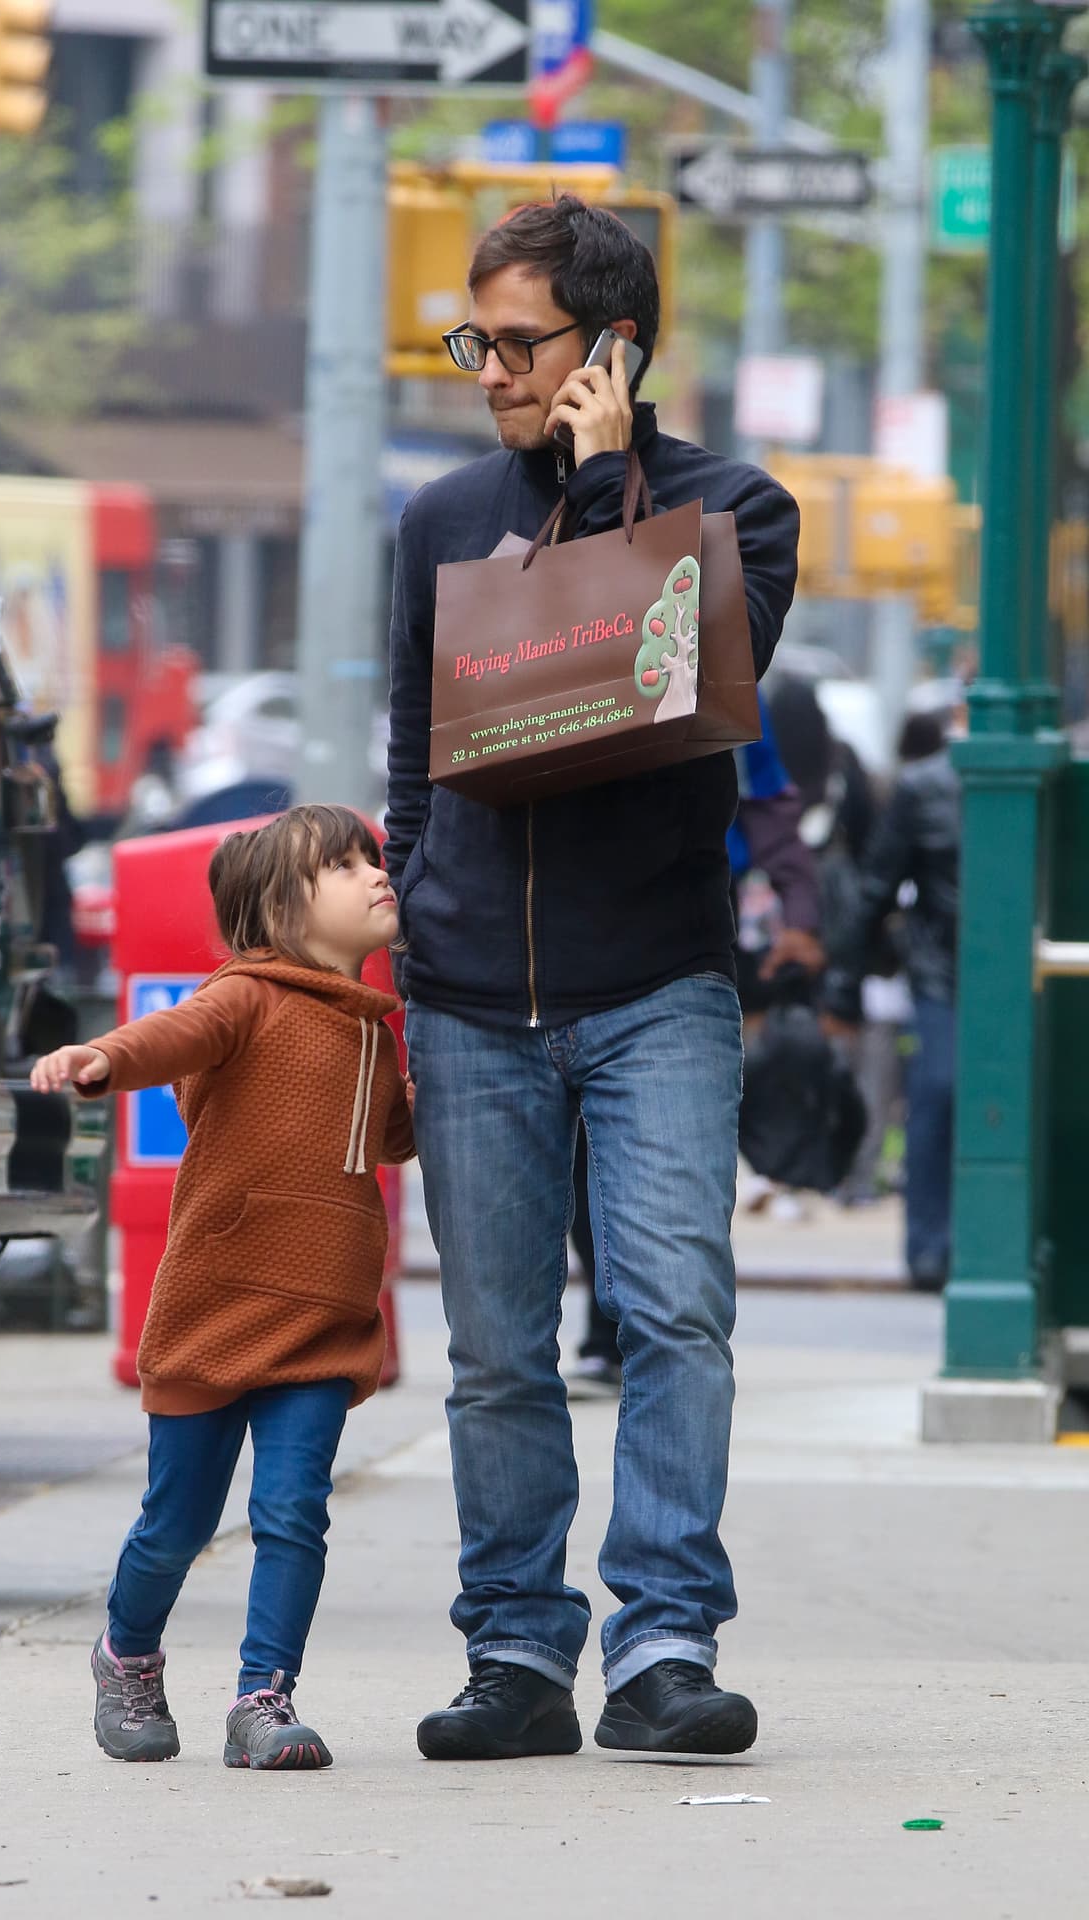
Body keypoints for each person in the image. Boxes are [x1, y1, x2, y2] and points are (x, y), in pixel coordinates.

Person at [386, 195, 800, 1761]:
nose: (488, 365)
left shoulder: (736, 509)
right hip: (474, 991)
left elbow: (684, 686)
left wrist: (614, 482)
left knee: (675, 1314)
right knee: (499, 1350)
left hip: (656, 985)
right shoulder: (436, 519)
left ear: (611, 347)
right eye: (473, 338)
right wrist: (421, 907)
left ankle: (666, 1645)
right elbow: (413, 754)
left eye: (520, 340)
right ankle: (514, 1650)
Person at [30, 806, 414, 1770]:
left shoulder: (378, 1030)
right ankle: (126, 1654)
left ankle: (263, 1699)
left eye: (376, 858)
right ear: (282, 907)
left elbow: (399, 1136)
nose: (376, 873)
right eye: (344, 865)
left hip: (324, 1320)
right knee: (178, 1523)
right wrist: (102, 1059)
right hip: (217, 1306)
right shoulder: (245, 996)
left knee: (294, 1513)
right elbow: (176, 1034)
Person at [566, 690, 824, 1398]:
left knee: (664, 1153)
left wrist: (800, 910)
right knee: (582, 1150)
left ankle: (634, 1328)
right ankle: (611, 1322)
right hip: (559, 924)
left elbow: (769, 800)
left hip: (687, 929)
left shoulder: (715, 659)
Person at [822, 705, 961, 1290]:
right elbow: (877, 887)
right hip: (942, 974)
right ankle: (929, 1247)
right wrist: (843, 987)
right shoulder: (922, 788)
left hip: (1015, 972)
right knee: (938, 1092)